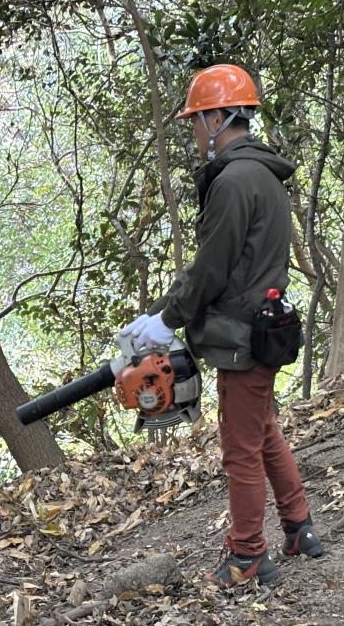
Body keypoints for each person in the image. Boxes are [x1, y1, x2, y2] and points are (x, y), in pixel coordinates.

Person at [122, 63, 322, 587]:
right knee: (262, 430)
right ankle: (299, 526)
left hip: (242, 334)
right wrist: (167, 315)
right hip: (260, 325)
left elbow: (211, 266)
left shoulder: (234, 180)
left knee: (240, 447)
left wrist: (168, 319)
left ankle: (247, 554)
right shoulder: (262, 173)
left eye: (196, 120)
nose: (193, 131)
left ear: (218, 118)